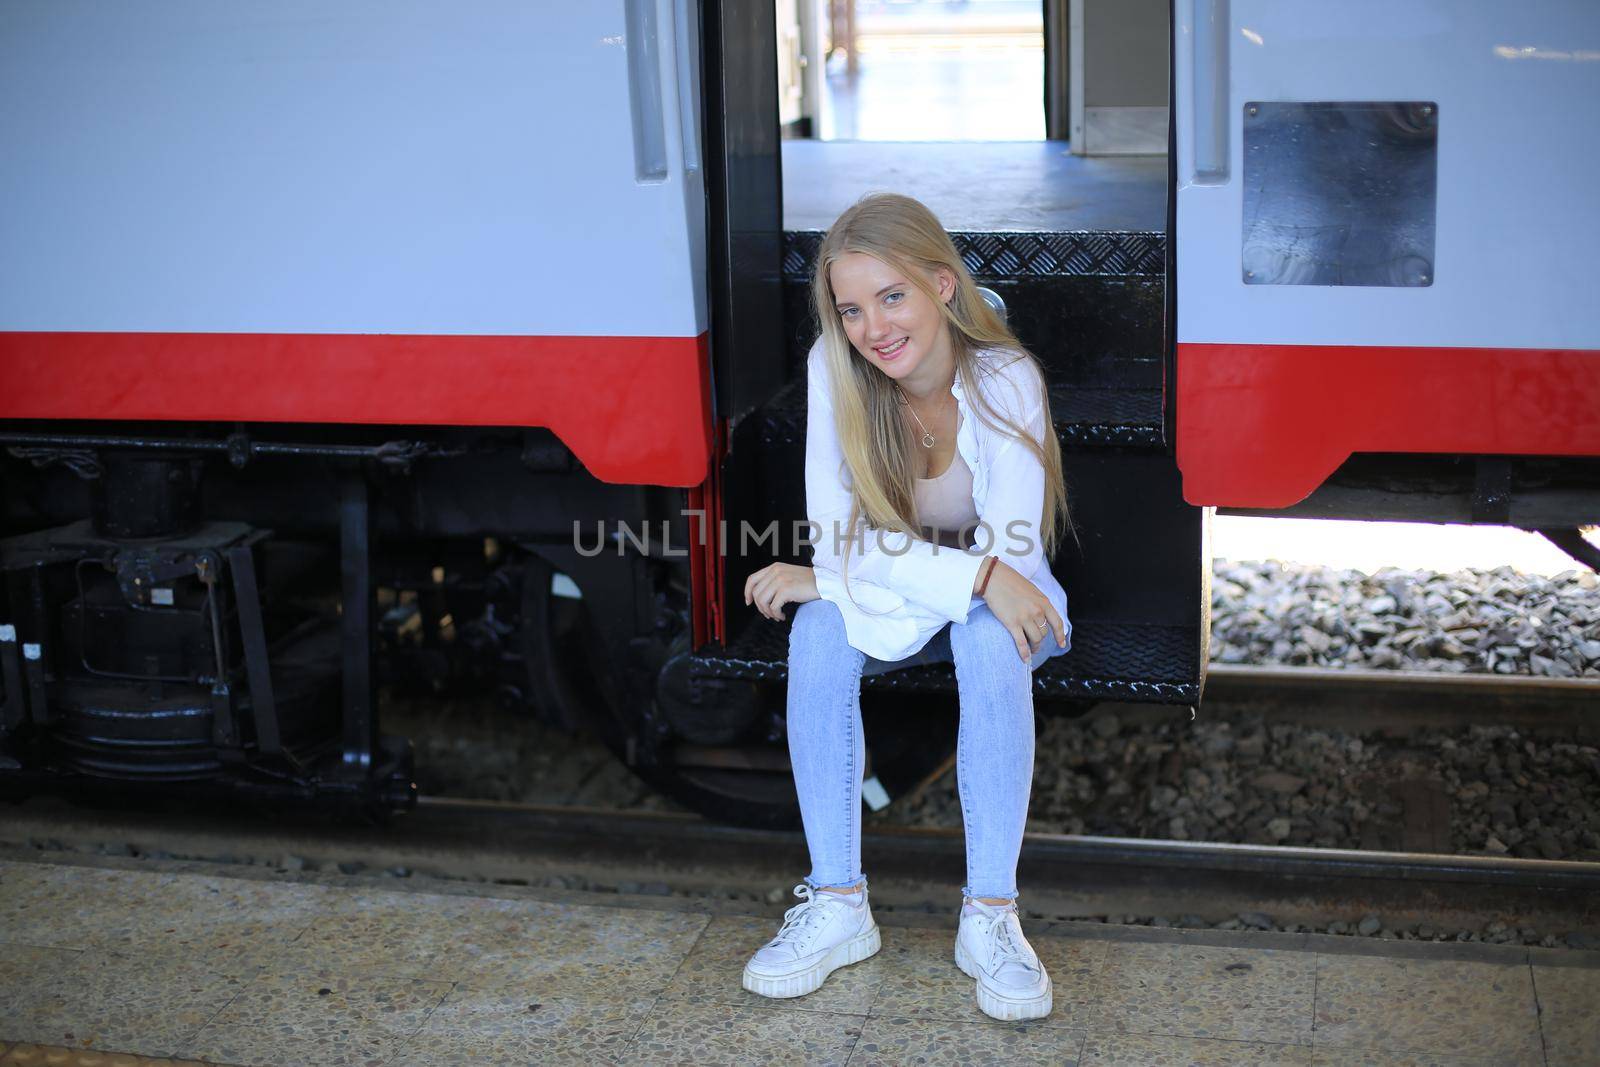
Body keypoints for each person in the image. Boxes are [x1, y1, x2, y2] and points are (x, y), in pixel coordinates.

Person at [738, 192, 1073, 1022]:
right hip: (904, 588)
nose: (873, 328)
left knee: (993, 639)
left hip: (994, 591)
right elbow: (837, 537)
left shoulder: (1006, 378)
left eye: (893, 297)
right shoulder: (835, 369)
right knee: (816, 633)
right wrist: (953, 575)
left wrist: (961, 578)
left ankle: (991, 917)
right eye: (851, 308)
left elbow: (1015, 561)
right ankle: (838, 903)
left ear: (942, 286)